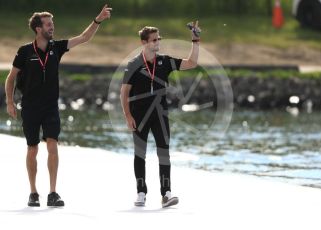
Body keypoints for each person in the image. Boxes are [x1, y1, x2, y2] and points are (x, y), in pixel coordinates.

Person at [5, 4, 112, 207]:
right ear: (38, 28)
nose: (52, 27)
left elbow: (84, 37)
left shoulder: (57, 47)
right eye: (48, 24)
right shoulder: (25, 51)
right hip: (29, 106)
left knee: (53, 144)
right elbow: (11, 78)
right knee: (33, 148)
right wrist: (10, 102)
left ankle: (53, 193)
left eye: (52, 23)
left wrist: (98, 20)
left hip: (51, 107)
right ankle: (33, 193)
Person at [120, 21, 200, 208]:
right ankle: (141, 193)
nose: (158, 42)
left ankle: (166, 194)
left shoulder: (164, 61)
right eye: (154, 40)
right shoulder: (133, 64)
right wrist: (127, 116)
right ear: (144, 42)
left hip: (160, 115)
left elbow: (192, 63)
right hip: (139, 115)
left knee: (164, 153)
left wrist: (195, 41)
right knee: (140, 154)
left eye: (159, 39)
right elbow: (124, 92)